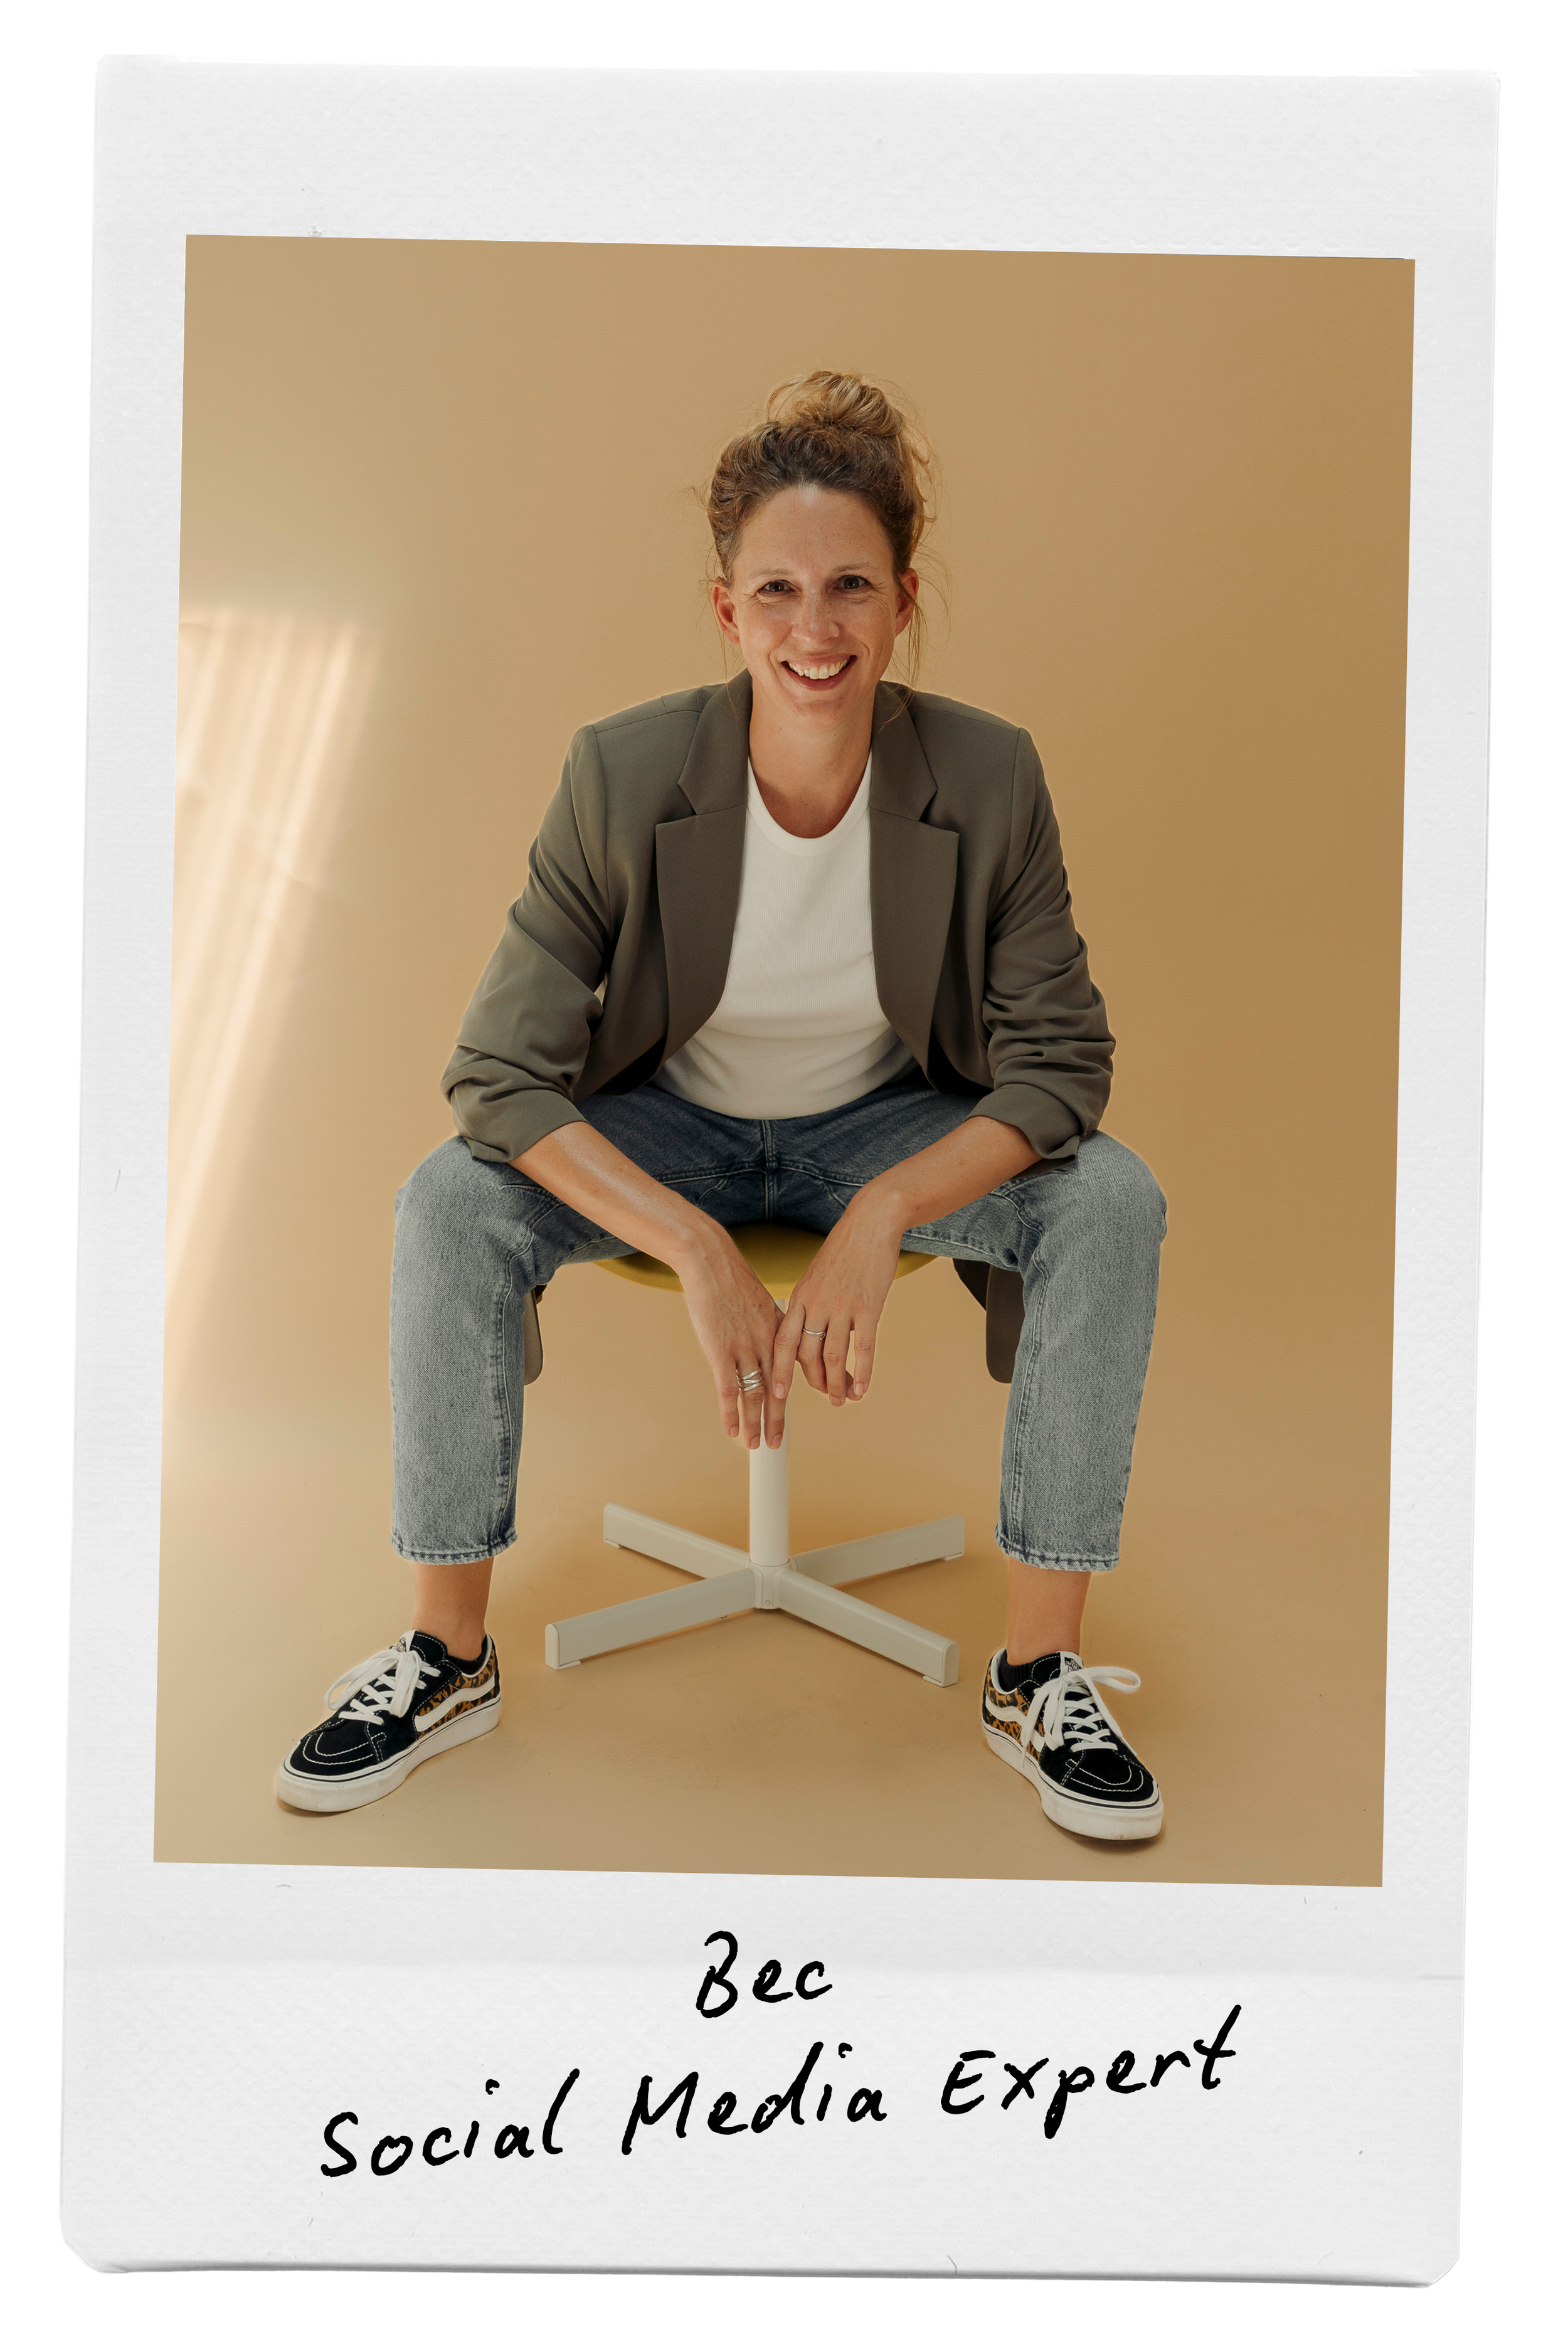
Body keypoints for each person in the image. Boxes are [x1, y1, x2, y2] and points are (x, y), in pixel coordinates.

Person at [277, 371, 1168, 1841]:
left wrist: (887, 1206)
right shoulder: (620, 773)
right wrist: (691, 1242)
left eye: (846, 589)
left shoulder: (989, 777)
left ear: (900, 602)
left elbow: (1058, 1064)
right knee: (447, 1198)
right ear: (724, 611)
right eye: (775, 590)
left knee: (1111, 1199)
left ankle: (1039, 1669)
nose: (811, 630)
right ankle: (444, 1654)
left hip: (882, 1122)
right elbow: (497, 1070)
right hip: (667, 1127)